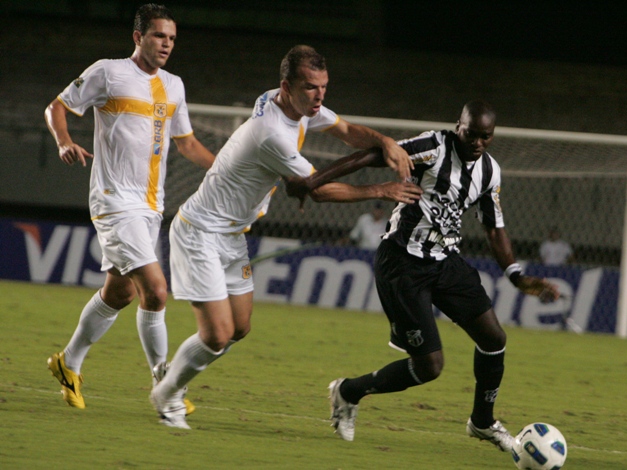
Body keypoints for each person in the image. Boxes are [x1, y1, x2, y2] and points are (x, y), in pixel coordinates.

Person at [149, 44, 423, 429]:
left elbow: (345, 130)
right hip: (200, 231)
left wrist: (386, 142)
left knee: (240, 328)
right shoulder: (271, 133)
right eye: (311, 87)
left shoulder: (290, 105)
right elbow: (316, 188)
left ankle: (173, 379)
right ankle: (167, 394)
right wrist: (382, 190)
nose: (319, 95)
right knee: (217, 334)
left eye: (323, 86)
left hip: (232, 236)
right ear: (286, 86)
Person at [286, 99, 560, 451]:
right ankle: (347, 392)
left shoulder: (490, 172)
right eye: (471, 133)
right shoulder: (433, 146)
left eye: (485, 137)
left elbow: (494, 228)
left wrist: (517, 276)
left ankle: (482, 421)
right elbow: (375, 154)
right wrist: (313, 181)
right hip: (402, 264)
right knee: (429, 367)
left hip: (446, 261)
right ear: (457, 126)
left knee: (494, 338)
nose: (477, 142)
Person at [44, 4, 215, 414]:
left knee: (118, 292)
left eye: (172, 38)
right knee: (156, 290)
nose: (166, 45)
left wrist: (227, 170)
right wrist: (65, 141)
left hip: (150, 205)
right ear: (137, 37)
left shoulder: (174, 86)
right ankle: (165, 385)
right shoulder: (109, 72)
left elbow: (187, 143)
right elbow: (57, 107)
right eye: (159, 36)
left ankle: (68, 363)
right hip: (113, 200)